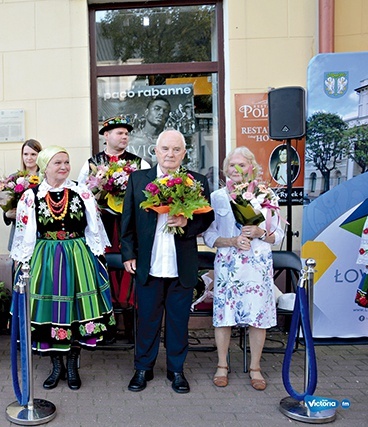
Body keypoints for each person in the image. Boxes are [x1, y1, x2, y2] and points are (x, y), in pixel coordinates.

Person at [10, 146, 115, 390]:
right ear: (46, 166)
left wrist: (97, 256)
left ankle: (72, 365)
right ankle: (56, 365)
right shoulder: (30, 195)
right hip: (45, 257)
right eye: (58, 163)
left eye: (66, 162)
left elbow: (94, 228)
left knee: (76, 312)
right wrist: (22, 261)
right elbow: (25, 233)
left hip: (77, 256)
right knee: (51, 311)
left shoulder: (82, 191)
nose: (64, 167)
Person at [121, 129, 214, 393]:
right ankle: (143, 368)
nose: (170, 154)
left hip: (181, 264)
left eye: (176, 150)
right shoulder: (139, 180)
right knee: (147, 319)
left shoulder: (196, 181)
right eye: (165, 149)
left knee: (177, 321)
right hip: (148, 264)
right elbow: (127, 220)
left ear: (184, 153)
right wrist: (128, 254)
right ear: (156, 151)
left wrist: (188, 221)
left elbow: (207, 217)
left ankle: (176, 370)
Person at [203, 147, 285, 391]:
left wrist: (261, 232)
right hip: (228, 265)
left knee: (257, 317)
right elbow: (208, 234)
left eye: (241, 165)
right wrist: (231, 241)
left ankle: (255, 368)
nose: (235, 170)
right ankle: (221, 365)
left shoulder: (266, 195)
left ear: (252, 168)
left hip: (257, 265)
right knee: (223, 317)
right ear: (225, 170)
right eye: (231, 165)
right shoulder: (217, 196)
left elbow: (278, 235)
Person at [76, 116, 149, 328]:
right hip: (103, 225)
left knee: (131, 265)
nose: (124, 136)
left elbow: (147, 194)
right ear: (106, 135)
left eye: (127, 133)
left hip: (130, 227)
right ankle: (105, 321)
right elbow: (82, 194)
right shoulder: (91, 164)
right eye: (120, 132)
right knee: (102, 266)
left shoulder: (139, 163)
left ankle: (131, 323)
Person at [3, 139, 43, 251]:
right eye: (25, 154)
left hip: (39, 232)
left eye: (33, 154)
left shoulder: (45, 178)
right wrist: (7, 214)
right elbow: (6, 206)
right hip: (19, 231)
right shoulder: (13, 178)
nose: (29, 158)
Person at [129, 96, 172, 165]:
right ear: (146, 112)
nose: (161, 113)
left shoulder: (171, 141)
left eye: (165, 111)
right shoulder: (132, 140)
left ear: (168, 117)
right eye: (157, 109)